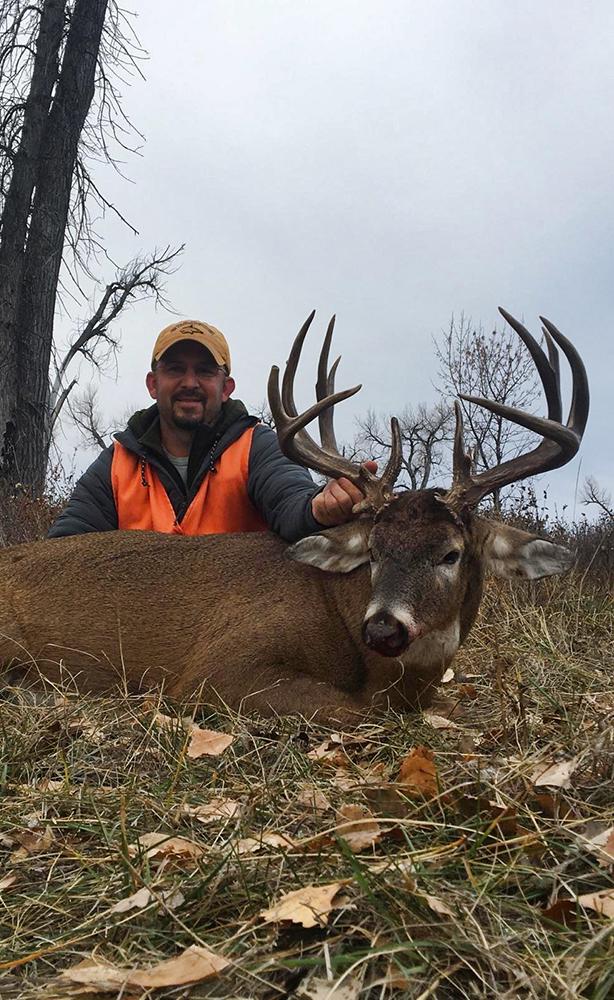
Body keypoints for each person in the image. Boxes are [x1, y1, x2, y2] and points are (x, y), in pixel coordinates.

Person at [48, 319, 375, 541]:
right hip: (136, 620)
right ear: (153, 384)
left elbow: (289, 501)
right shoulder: (119, 463)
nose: (190, 383)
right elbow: (64, 547)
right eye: (175, 370)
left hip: (241, 617)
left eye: (205, 371)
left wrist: (318, 507)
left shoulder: (256, 446)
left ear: (226, 387)